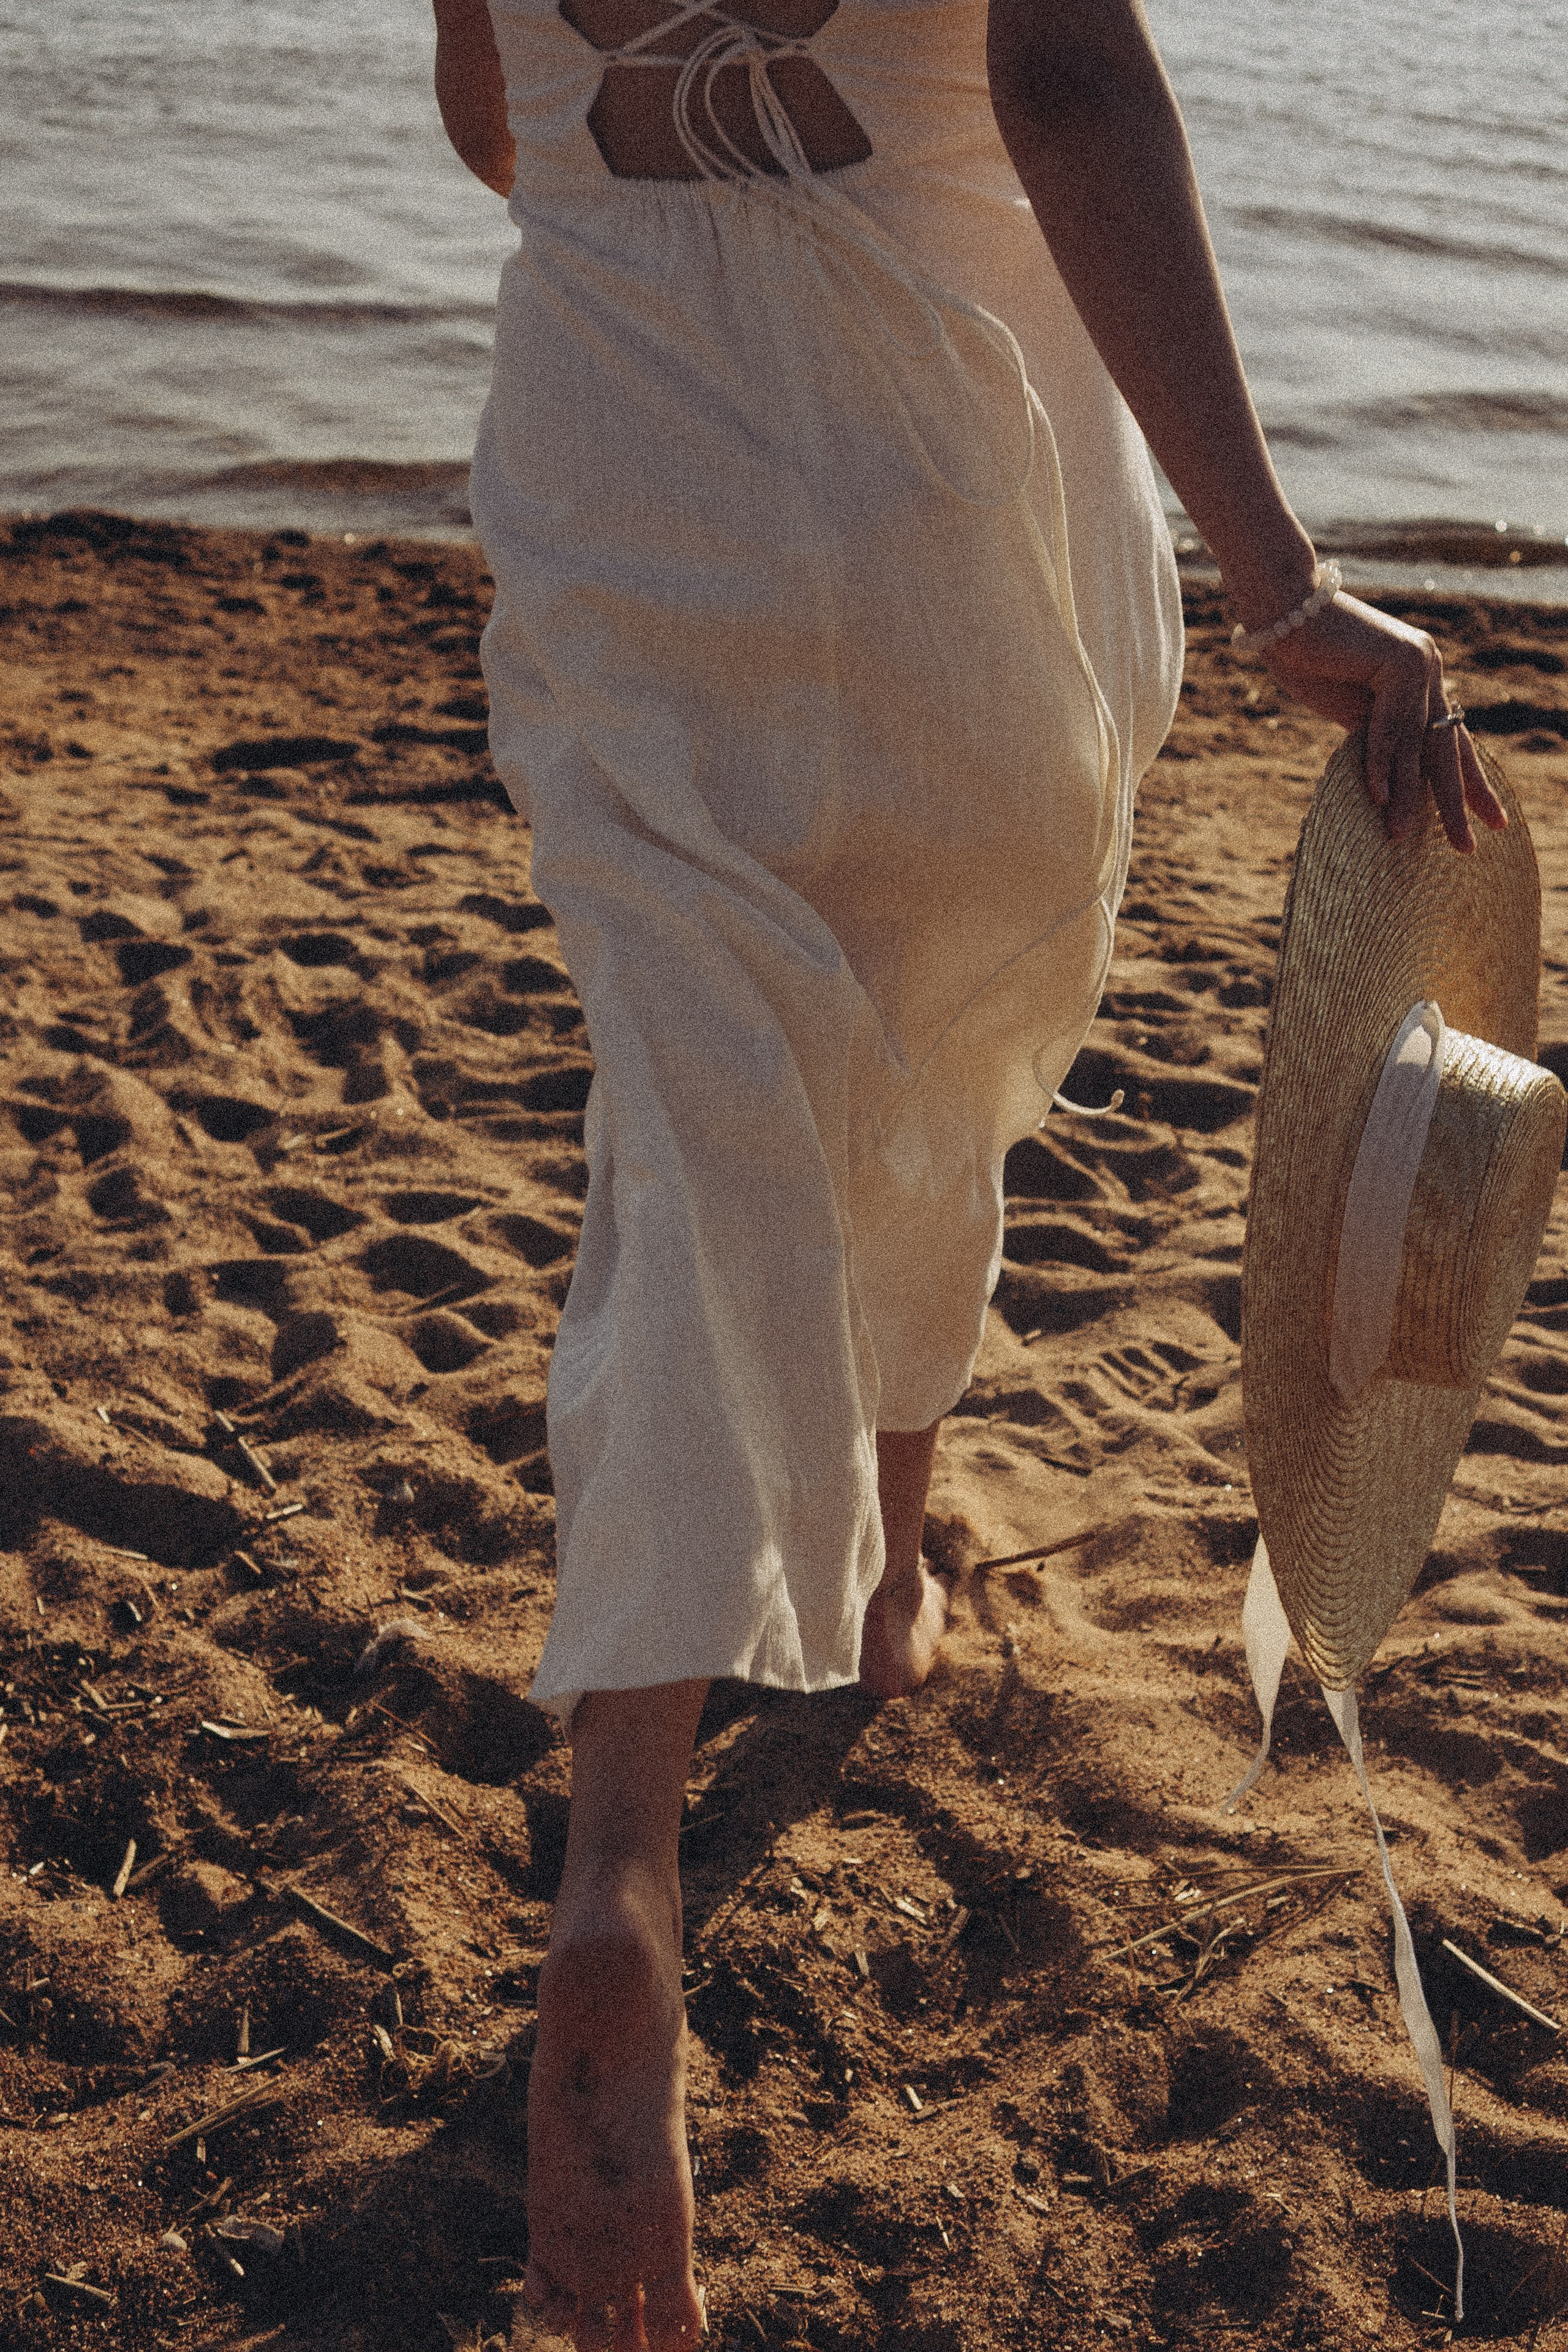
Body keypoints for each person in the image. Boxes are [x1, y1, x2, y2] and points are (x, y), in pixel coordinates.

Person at [427, 0, 1504, 2342]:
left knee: (693, 1131)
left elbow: (494, 117)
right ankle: (884, 1577)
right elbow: (1071, 83)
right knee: (945, 1050)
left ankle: (624, 1860)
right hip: (949, 453)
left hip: (622, 443)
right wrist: (1277, 573)